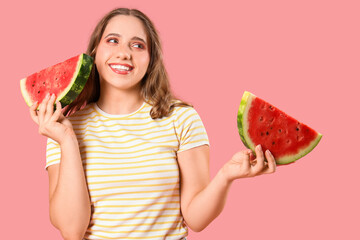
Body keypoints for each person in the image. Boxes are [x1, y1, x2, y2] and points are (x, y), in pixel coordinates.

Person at [29, 7, 276, 240]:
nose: (124, 52)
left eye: (137, 45)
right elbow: (72, 230)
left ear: (150, 60)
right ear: (94, 52)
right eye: (112, 40)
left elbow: (195, 218)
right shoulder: (64, 127)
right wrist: (68, 141)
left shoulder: (181, 118)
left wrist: (225, 177)